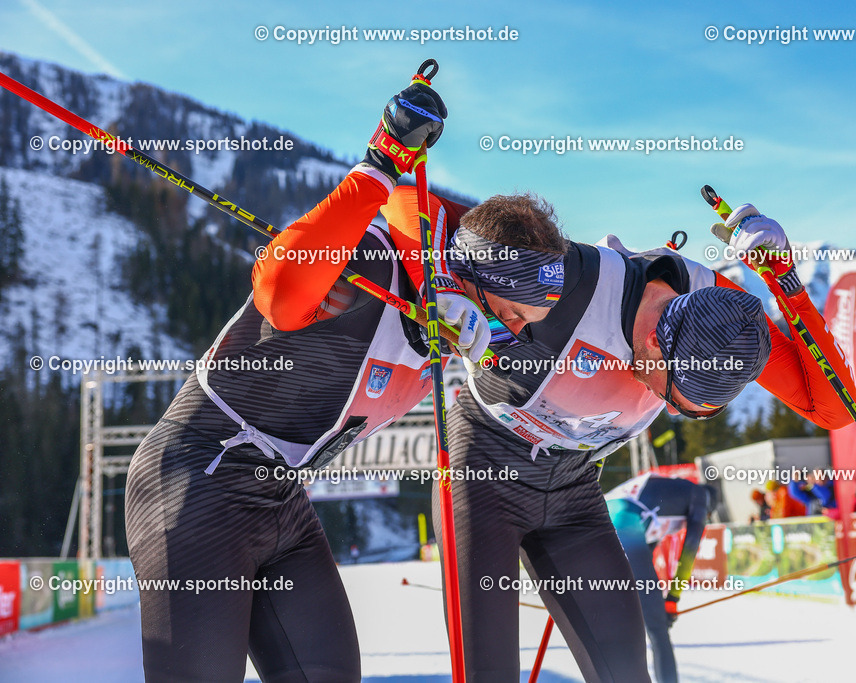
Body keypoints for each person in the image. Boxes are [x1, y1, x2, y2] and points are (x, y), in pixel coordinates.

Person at [124, 76, 559, 682]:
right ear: (474, 280)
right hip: (200, 479)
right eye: (509, 315)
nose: (506, 332)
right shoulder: (371, 265)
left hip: (279, 496)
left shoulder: (448, 312)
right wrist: (381, 164)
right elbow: (280, 289)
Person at [435, 201, 856, 682]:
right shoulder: (572, 277)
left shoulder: (719, 313)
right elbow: (417, 200)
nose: (668, 408)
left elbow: (836, 408)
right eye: (669, 395)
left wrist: (785, 281)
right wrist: (447, 286)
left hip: (572, 489)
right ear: (657, 341)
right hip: (487, 470)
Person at [605, 473, 715, 683]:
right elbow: (690, 548)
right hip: (625, 520)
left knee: (620, 626)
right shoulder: (700, 494)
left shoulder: (670, 494)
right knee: (658, 631)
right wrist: (672, 599)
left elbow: (645, 555)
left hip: (599, 517)